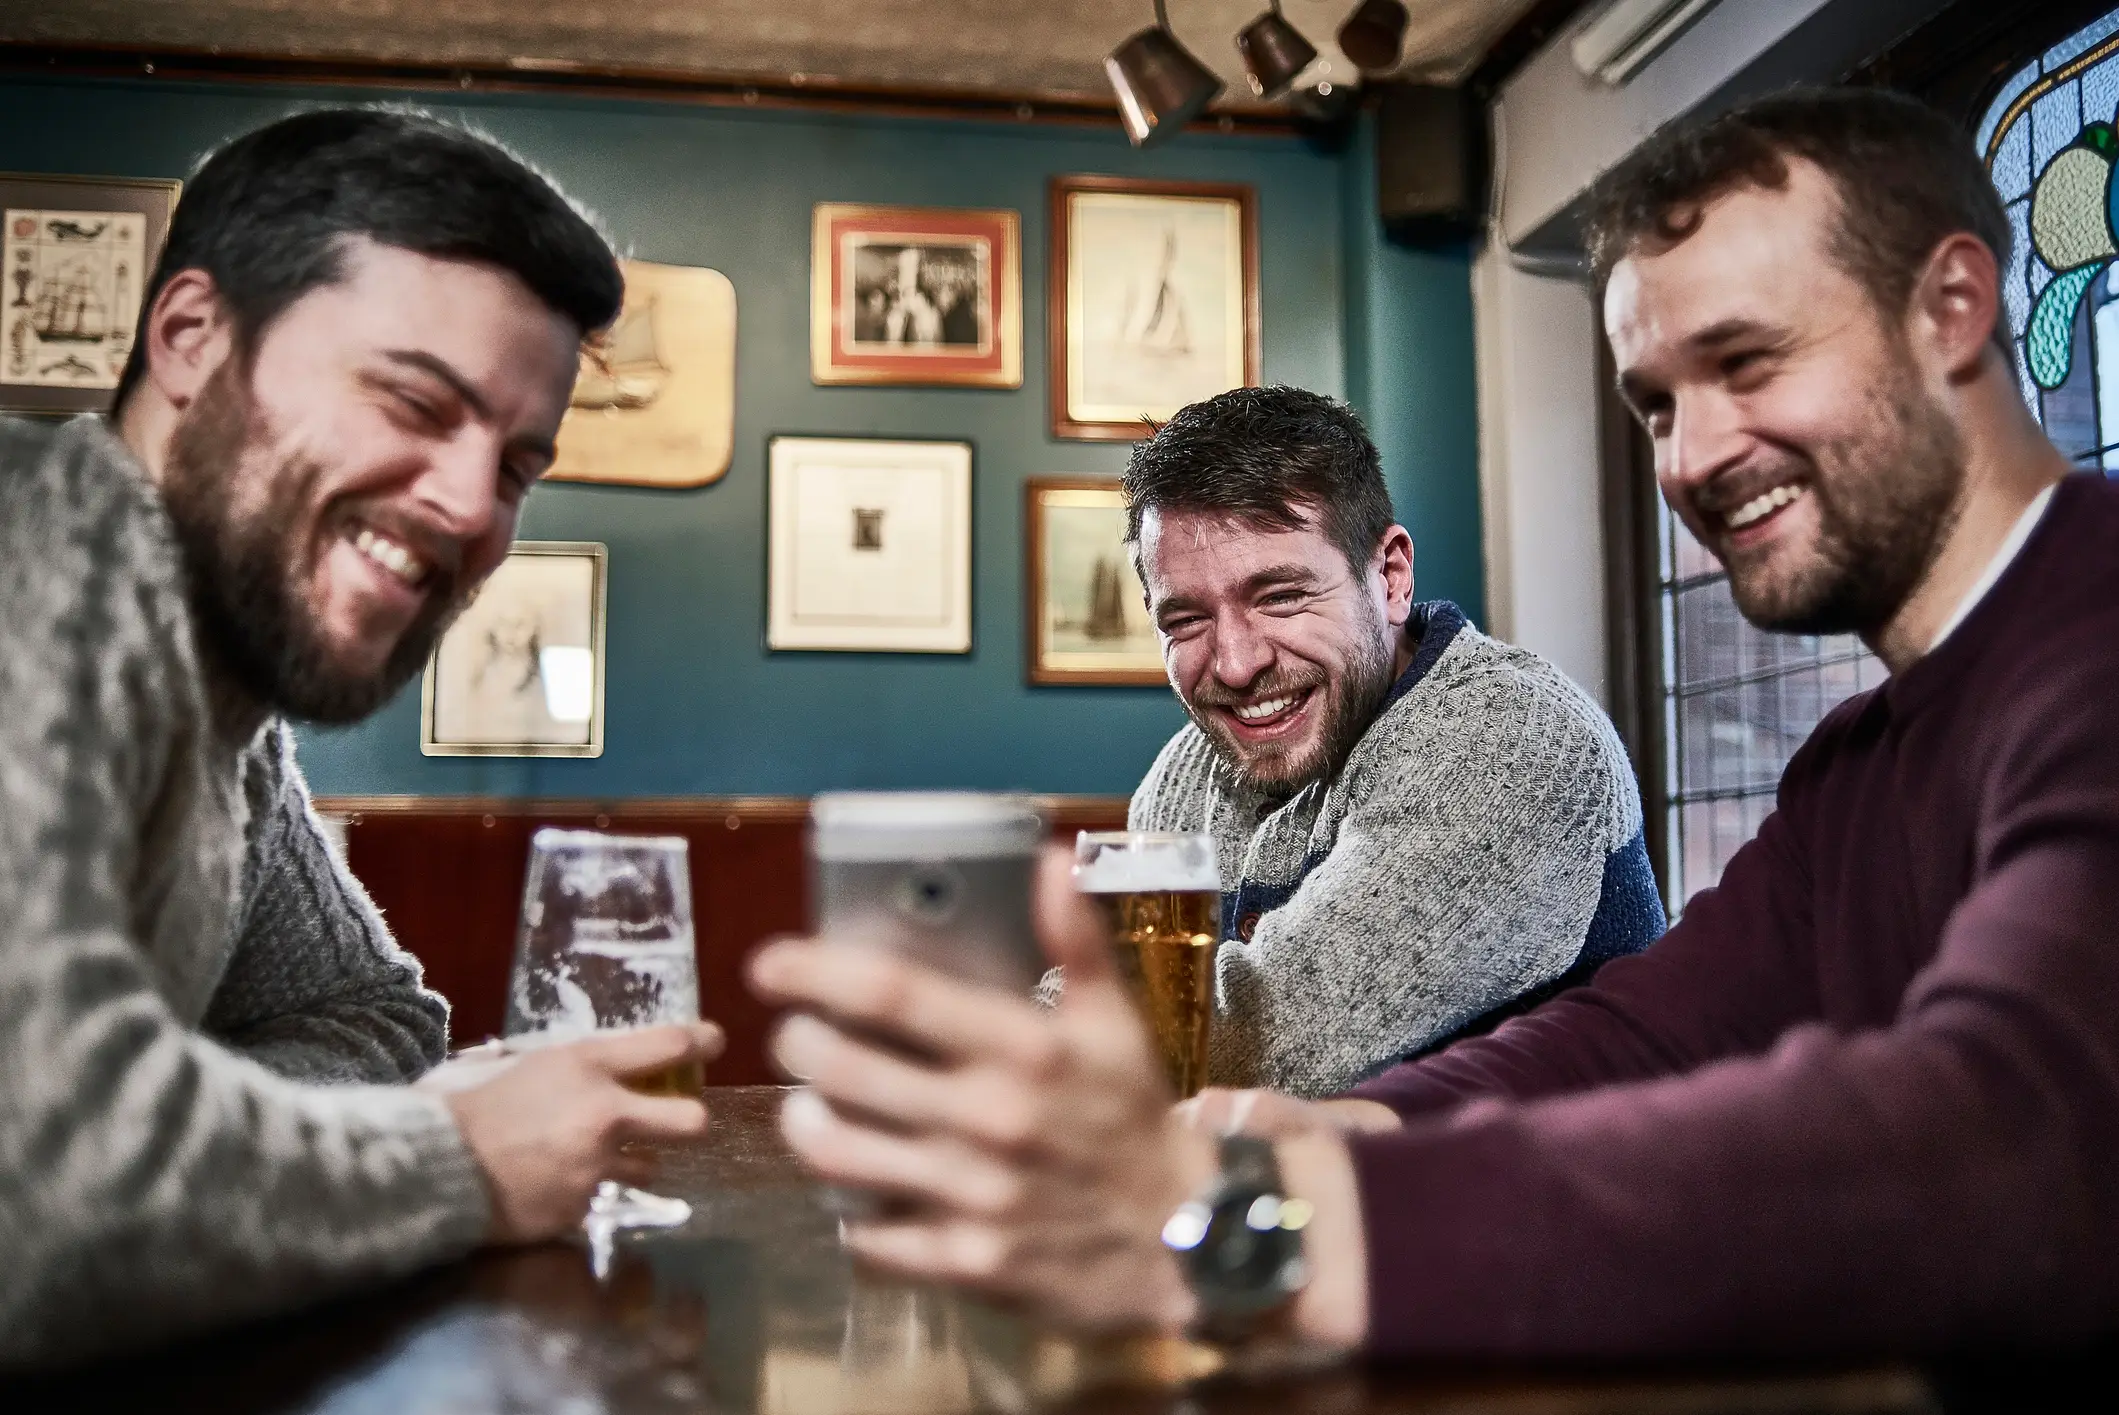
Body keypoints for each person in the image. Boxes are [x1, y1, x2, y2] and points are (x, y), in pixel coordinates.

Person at [748, 85, 2119, 1355]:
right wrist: (1307, 1134)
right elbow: (1643, 1035)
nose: (1688, 457)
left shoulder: (2092, 640)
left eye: (1746, 361)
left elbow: (2016, 1136)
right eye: (1654, 403)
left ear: (1948, 309)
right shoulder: (1860, 756)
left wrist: (1267, 1220)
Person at [0, 108, 720, 1369]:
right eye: (411, 399)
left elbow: (376, 1016)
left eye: (517, 462)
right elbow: (46, 1171)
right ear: (190, 337)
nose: (468, 504)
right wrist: (461, 1159)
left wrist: (196, 1113)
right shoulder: (47, 538)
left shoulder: (229, 707)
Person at [1114, 385, 1661, 1096]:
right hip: (1312, 1196)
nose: (1236, 663)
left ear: (1391, 577)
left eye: (1280, 596)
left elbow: (1262, 1045)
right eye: (1185, 620)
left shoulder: (1507, 736)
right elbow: (1122, 987)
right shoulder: (1186, 770)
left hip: (1550, 1197)